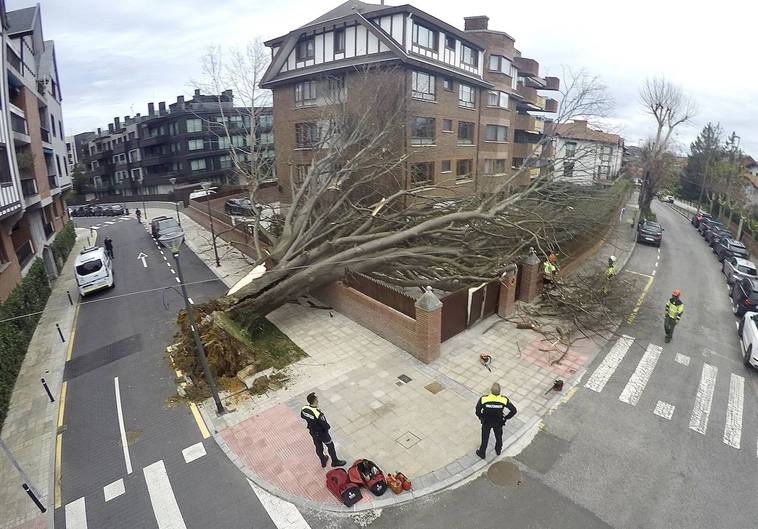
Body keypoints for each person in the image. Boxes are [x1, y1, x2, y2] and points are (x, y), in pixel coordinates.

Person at [301, 392, 346, 468]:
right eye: (317, 398)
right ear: (315, 400)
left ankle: (323, 461)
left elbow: (303, 416)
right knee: (330, 446)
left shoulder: (304, 409)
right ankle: (335, 461)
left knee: (318, 447)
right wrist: (326, 428)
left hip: (313, 432)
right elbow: (326, 426)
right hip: (322, 434)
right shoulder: (318, 413)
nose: (318, 399)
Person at [475, 382, 517, 459]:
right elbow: (514, 410)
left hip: (486, 422)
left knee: (485, 438)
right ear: (500, 391)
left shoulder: (484, 399)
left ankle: (482, 453)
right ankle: (498, 450)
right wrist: (506, 417)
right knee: (498, 437)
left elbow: (477, 410)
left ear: (491, 390)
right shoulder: (503, 400)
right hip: (498, 422)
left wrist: (481, 417)